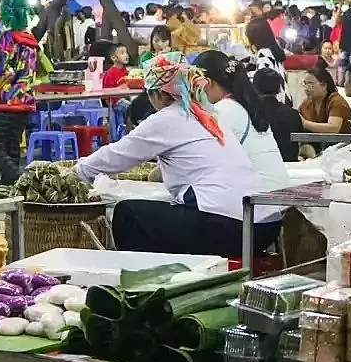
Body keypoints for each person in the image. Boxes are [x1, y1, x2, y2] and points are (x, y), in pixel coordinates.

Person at [74, 53, 277, 256]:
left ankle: (156, 278)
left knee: (128, 214)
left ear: (159, 94)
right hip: (265, 225)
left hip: (233, 227)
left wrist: (75, 172)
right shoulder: (209, 114)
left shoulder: (168, 118)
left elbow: (116, 156)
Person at [193, 50, 291, 201]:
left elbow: (200, 160)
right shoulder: (247, 104)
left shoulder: (223, 110)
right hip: (275, 199)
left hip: (258, 206)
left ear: (207, 82)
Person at [0, 0, 39, 186]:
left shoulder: (8, 39)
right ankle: (12, 191)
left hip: (5, 101)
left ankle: (17, 179)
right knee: (12, 147)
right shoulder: (31, 41)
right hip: (26, 102)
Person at [253, 68, 303, 162]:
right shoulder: (292, 114)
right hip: (289, 165)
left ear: (254, 87)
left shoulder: (248, 114)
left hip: (258, 164)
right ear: (280, 88)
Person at [298, 65, 351, 139]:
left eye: (310, 84)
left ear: (324, 85)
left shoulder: (336, 100)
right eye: (305, 84)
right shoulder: (306, 103)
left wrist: (305, 124)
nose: (306, 88)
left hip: (341, 146)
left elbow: (333, 129)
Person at [246, 16, 289, 103]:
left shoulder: (264, 54)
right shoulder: (273, 50)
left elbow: (264, 82)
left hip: (275, 104)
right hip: (284, 99)